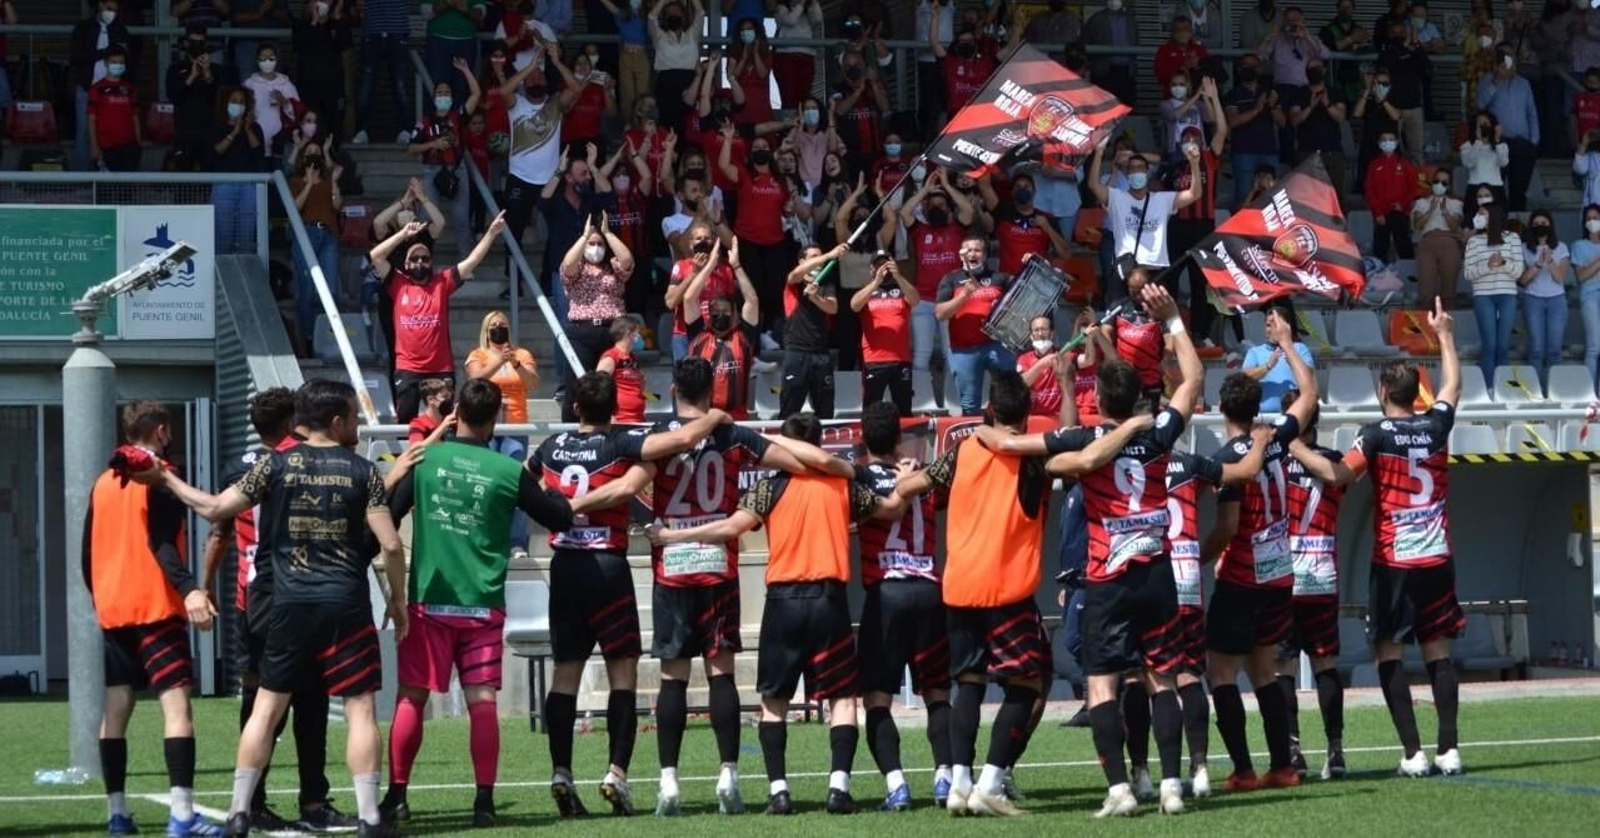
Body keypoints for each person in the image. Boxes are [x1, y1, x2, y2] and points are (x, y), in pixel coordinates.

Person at [896, 335, 1169, 818]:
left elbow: (914, 484)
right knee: (1029, 685)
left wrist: (900, 476)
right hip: (1007, 589)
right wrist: (1064, 386)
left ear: (987, 410)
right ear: (1024, 417)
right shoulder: (1029, 460)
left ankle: (958, 781)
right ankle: (992, 779)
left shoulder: (963, 452)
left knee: (970, 683)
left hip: (959, 587)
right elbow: (1070, 443)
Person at [580, 358, 850, 815]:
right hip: (716, 566)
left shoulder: (661, 437)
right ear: (714, 393)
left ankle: (669, 782)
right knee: (720, 671)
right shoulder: (731, 434)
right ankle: (729, 773)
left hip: (672, 565)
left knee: (673, 677)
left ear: (672, 392)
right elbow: (795, 463)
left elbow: (633, 484)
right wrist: (836, 467)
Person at [144, 380, 407, 838]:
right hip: (345, 603)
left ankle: (241, 812)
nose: (359, 425)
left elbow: (214, 508)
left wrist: (165, 477)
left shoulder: (274, 465)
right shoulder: (364, 471)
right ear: (339, 421)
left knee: (266, 707)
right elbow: (389, 544)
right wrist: (398, 602)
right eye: (355, 417)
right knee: (360, 708)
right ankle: (369, 817)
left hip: (287, 603)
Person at [645, 412, 897, 815]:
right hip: (829, 597)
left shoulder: (769, 487)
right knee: (842, 697)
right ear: (819, 442)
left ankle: (779, 792)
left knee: (774, 699)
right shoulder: (842, 485)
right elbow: (887, 509)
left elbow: (730, 529)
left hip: (782, 599)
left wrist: (674, 536)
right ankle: (839, 789)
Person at [529, 373, 731, 816]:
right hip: (606, 565)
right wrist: (716, 412)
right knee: (623, 672)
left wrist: (555, 505)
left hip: (565, 566)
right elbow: (684, 438)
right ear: (613, 410)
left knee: (565, 673)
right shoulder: (620, 442)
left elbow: (528, 486)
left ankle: (561, 771)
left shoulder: (549, 448)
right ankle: (616, 773)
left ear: (576, 408)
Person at [379, 379, 573, 829]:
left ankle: (397, 796)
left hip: (430, 598)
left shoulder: (426, 462)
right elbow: (556, 518)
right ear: (495, 421)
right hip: (483, 604)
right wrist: (558, 493)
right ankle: (484, 803)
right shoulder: (508, 470)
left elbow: (388, 515)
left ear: (456, 412)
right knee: (482, 701)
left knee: (412, 697)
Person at [1287, 301, 1465, 779]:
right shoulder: (1435, 425)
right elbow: (1451, 387)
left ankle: (1413, 753)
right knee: (1438, 651)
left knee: (1389, 651)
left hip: (1395, 561)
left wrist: (1297, 445)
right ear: (1416, 392)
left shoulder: (1377, 434)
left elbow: (1337, 474)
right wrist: (1444, 336)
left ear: (1383, 390)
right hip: (1437, 556)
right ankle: (1449, 749)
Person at [201, 391, 354, 834]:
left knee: (260, 701)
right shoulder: (301, 464)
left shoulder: (238, 468)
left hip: (252, 598)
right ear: (291, 421)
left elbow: (219, 531)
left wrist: (203, 586)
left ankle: (251, 802)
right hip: (299, 591)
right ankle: (312, 799)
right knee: (310, 699)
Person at [85, 402, 222, 838]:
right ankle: (182, 815)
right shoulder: (161, 477)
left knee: (115, 709)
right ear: (161, 431)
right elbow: (163, 544)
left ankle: (117, 814)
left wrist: (102, 596)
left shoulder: (103, 482)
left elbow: (86, 553)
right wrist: (191, 590)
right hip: (156, 607)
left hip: (115, 608)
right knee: (176, 707)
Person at [1200, 313, 1320, 794]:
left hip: (1242, 578)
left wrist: (1200, 559)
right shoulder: (1275, 439)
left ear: (1221, 408)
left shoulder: (1230, 459)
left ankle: (1244, 771)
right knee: (1265, 670)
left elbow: (1227, 528)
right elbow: (1309, 395)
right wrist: (1288, 345)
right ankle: (1284, 767)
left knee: (1222, 672)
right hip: (1279, 574)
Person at [1160, 418, 1269, 800]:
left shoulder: (1127, 461)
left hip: (1151, 577)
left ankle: (1145, 774)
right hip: (1189, 575)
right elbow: (1245, 471)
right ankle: (1201, 768)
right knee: (1191, 675)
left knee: (1147, 681)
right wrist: (1259, 442)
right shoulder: (1190, 464)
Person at [370, 213, 508, 423]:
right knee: (405, 422)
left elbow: (472, 261)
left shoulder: (441, 283)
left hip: (440, 368)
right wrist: (403, 234)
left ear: (431, 263)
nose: (419, 262)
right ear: (406, 265)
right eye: (414, 259)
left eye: (425, 259)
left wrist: (491, 233)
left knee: (446, 423)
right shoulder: (398, 283)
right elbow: (376, 256)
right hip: (408, 368)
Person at [1279, 386, 1349, 781]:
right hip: (1322, 573)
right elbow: (1339, 477)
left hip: (1285, 575)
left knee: (1283, 668)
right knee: (1326, 665)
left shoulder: (1274, 461)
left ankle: (1293, 751)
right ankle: (1335, 750)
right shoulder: (1334, 460)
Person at [1087, 137, 1202, 300]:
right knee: (1116, 321)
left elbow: (1194, 194)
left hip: (1155, 271)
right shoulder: (1117, 197)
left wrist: (1194, 164)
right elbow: (1093, 185)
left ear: (1147, 172)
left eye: (1140, 168)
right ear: (1127, 174)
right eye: (1132, 169)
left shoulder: (1162, 199)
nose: (1136, 172)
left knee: (1158, 321)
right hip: (1125, 272)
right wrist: (1098, 152)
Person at [465, 310, 540, 555]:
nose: (498, 328)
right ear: (486, 331)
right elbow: (475, 379)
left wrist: (514, 362)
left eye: (503, 324)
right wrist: (498, 360)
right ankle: (486, 538)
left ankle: (516, 542)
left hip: (515, 425)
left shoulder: (522, 354)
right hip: (484, 426)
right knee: (484, 484)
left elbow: (533, 384)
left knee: (512, 484)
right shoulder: (478, 354)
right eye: (493, 325)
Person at [1166, 81, 1230, 341]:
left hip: (1203, 226)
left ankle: (1201, 332)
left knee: (1199, 283)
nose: (1190, 141)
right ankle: (1169, 329)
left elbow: (1223, 130)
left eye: (1194, 138)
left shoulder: (1208, 158)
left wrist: (1214, 99)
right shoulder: (1173, 165)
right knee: (1168, 280)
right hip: (1178, 227)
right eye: (1185, 139)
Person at [718, 125, 794, 341]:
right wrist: (728, 138)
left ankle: (770, 332)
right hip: (748, 241)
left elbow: (787, 211)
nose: (761, 149)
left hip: (775, 242)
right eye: (757, 147)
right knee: (752, 288)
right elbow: (723, 165)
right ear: (752, 154)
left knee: (774, 289)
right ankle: (753, 333)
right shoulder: (744, 174)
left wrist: (789, 209)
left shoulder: (780, 180)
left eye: (765, 147)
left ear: (771, 153)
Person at [558, 211, 635, 420]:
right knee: (577, 386)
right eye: (591, 244)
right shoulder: (578, 268)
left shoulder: (613, 267)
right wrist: (584, 237)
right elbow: (568, 265)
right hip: (582, 332)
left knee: (612, 386)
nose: (595, 248)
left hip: (613, 332)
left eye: (599, 244)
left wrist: (607, 233)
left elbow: (627, 260)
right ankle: (572, 433)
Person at [408, 60, 481, 263]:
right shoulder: (424, 122)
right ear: (433, 97)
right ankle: (420, 260)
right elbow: (411, 148)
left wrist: (466, 70)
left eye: (446, 93)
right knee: (425, 218)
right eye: (440, 93)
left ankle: (466, 262)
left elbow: (476, 95)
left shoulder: (457, 116)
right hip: (431, 170)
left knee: (460, 219)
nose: (443, 96)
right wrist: (433, 144)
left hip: (456, 169)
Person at [539, 145, 619, 328]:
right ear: (568, 178)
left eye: (588, 174)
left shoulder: (590, 201)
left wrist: (594, 167)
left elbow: (608, 195)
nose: (588, 178)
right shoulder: (556, 202)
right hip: (562, 270)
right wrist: (559, 170)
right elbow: (542, 201)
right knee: (565, 324)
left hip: (590, 270)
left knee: (589, 323)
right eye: (583, 174)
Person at [935, 237, 1013, 416]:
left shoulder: (999, 277)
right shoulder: (951, 279)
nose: (972, 254)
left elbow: (1023, 292)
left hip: (997, 346)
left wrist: (1029, 263)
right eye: (968, 250)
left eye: (977, 250)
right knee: (970, 405)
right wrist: (964, 296)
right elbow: (940, 314)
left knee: (1008, 396)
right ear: (961, 255)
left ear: (984, 255)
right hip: (964, 350)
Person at [683, 249, 762, 418]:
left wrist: (736, 266)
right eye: (716, 312)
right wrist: (710, 266)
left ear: (734, 315)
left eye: (725, 311)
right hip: (703, 415)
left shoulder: (743, 336)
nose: (720, 315)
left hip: (737, 416)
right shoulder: (698, 335)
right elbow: (689, 299)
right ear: (708, 315)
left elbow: (752, 300)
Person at [779, 244, 847, 418]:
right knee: (790, 409)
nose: (818, 260)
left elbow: (833, 308)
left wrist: (815, 297)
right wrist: (829, 255)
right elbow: (794, 275)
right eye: (813, 257)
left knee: (825, 410)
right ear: (802, 261)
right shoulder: (795, 280)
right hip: (796, 352)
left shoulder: (826, 282)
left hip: (821, 353)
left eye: (820, 256)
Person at [70, 0, 138, 172]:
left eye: (115, 9)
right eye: (109, 8)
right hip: (88, 86)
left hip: (113, 89)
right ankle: (83, 176)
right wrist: (106, 51)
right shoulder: (83, 28)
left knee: (112, 131)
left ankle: (110, 173)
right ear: (100, 5)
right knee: (84, 132)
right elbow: (77, 56)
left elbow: (125, 57)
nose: (112, 12)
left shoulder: (121, 30)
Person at [1464, 200, 1523, 385]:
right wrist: (1488, 265)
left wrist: (1503, 263)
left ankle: (1504, 388)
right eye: (1478, 213)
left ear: (1494, 216)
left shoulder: (1513, 238)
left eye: (1483, 213)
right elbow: (1468, 274)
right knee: (1489, 345)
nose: (1478, 217)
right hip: (1483, 296)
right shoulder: (1473, 241)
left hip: (1507, 295)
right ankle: (1488, 388)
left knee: (1503, 346)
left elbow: (1518, 272)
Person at [852, 256, 918, 416]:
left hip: (901, 359)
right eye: (879, 266)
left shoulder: (902, 289)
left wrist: (898, 276)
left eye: (887, 266)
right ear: (872, 270)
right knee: (871, 408)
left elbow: (916, 300)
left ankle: (903, 440)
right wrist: (876, 282)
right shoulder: (867, 291)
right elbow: (854, 305)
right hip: (874, 360)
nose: (884, 270)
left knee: (903, 409)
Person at [1478, 44, 1540, 213]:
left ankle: (1517, 231)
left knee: (1519, 192)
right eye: (1503, 55)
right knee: (1496, 190)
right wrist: (1497, 80)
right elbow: (1480, 105)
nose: (1507, 59)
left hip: (1522, 143)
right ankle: (1498, 230)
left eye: (1510, 55)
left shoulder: (1524, 83)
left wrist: (1533, 141)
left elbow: (1531, 113)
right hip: (1498, 143)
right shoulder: (1487, 80)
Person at [1520, 211, 1572, 389]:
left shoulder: (1562, 247)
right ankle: (1535, 390)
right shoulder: (1524, 248)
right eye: (1536, 223)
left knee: (1554, 350)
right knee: (1535, 349)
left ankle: (1554, 390)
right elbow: (1523, 280)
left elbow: (1560, 278)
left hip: (1556, 300)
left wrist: (1550, 261)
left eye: (1544, 222)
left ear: (1550, 225)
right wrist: (1538, 264)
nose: (1540, 226)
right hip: (1533, 299)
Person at [1224, 54, 1284, 209]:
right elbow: (1233, 121)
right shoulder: (1233, 94)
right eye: (1245, 65)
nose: (1249, 68)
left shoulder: (1269, 93)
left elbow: (1282, 122)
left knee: (1273, 195)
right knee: (1244, 194)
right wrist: (1257, 109)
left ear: (1258, 69)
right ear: (1239, 69)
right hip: (1243, 152)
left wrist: (1271, 106)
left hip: (1269, 151)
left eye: (1253, 65)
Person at [211, 88, 266, 255]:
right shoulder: (217, 126)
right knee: (223, 237)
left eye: (242, 102)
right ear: (226, 104)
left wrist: (246, 129)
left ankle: (245, 276)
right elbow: (215, 152)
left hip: (248, 186)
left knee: (246, 237)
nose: (238, 105)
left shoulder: (254, 128)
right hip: (223, 186)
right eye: (234, 101)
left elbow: (258, 152)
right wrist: (234, 133)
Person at [1285, 58, 1348, 200]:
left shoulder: (1335, 93)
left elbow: (1340, 117)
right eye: (1311, 69)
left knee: (1335, 199)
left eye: (1317, 68)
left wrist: (1327, 104)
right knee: (1304, 198)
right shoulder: (1298, 94)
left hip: (1332, 153)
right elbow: (1294, 120)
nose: (1314, 71)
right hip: (1306, 153)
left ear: (1325, 70)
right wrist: (1310, 106)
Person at [352, 0, 413, 145]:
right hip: (372, 31)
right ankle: (362, 131)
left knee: (400, 85)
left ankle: (404, 130)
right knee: (367, 86)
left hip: (397, 31)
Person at [290, 0, 352, 142]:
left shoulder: (336, 24)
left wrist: (337, 18)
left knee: (334, 126)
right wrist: (314, 21)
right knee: (309, 125)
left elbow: (345, 44)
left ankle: (332, 156)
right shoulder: (302, 25)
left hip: (333, 87)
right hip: (308, 86)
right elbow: (299, 45)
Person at [1241, 300, 1315, 413]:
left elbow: (1310, 375)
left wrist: (1293, 359)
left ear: (1286, 326)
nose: (1271, 329)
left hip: (1295, 416)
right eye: (1268, 325)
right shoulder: (1254, 352)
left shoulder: (1300, 348)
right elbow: (1244, 378)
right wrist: (1267, 366)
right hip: (1264, 418)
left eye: (1275, 324)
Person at [1412, 168, 1465, 312]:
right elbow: (1417, 225)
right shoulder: (1421, 202)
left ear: (1448, 186)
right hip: (1427, 243)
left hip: (1449, 242)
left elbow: (1454, 226)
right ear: (1431, 182)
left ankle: (1448, 329)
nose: (1439, 185)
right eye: (1436, 181)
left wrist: (1444, 210)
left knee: (1448, 292)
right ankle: (1425, 329)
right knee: (1426, 291)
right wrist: (1430, 209)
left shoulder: (1456, 203)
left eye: (1444, 182)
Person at [168, 23, 219, 172]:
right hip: (184, 133)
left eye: (201, 42)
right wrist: (191, 77)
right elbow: (174, 97)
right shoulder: (175, 69)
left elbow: (219, 100)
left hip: (209, 133)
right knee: (183, 180)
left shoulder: (216, 70)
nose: (197, 45)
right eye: (194, 42)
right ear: (185, 43)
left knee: (209, 178)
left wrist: (207, 74)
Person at [649, 0, 704, 133]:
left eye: (677, 12)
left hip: (689, 81)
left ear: (684, 16)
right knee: (667, 124)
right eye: (670, 13)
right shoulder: (659, 36)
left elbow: (701, 12)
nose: (673, 14)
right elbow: (651, 17)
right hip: (666, 84)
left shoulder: (692, 35)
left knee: (689, 123)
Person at [1364, 130, 1417, 264]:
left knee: (1404, 245)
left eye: (1391, 139)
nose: (1388, 142)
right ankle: (1379, 275)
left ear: (1397, 143)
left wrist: (1403, 205)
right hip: (1381, 213)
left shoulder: (1404, 164)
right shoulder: (1374, 165)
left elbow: (1413, 188)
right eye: (1384, 139)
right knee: (1380, 248)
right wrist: (1377, 213)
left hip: (1399, 212)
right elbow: (1370, 191)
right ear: (1379, 143)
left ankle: (1409, 276)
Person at [85, 44, 140, 171]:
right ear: (105, 63)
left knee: (126, 189)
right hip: (106, 147)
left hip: (129, 147)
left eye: (121, 62)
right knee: (106, 189)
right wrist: (94, 147)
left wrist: (138, 144)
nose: (118, 65)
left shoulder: (130, 89)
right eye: (114, 62)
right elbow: (91, 119)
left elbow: (135, 117)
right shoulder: (96, 89)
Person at [595, 0, 651, 120]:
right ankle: (628, 124)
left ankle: (644, 122)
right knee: (626, 92)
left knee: (643, 91)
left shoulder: (647, 15)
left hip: (640, 54)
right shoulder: (621, 14)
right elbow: (608, 5)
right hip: (625, 54)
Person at [242, 44, 298, 159]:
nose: (267, 61)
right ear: (257, 61)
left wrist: (284, 102)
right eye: (263, 57)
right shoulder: (249, 84)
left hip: (280, 143)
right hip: (254, 141)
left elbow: (298, 113)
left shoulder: (286, 84)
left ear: (277, 60)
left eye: (271, 57)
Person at [1084, 0, 1138, 109]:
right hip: (1103, 72)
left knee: (1125, 107)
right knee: (1103, 108)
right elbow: (1085, 43)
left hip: (1126, 72)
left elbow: (1136, 41)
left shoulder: (1130, 19)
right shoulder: (1096, 19)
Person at [1013, 316, 1068, 419]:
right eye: (1036, 330)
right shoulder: (1023, 358)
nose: (1040, 334)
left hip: (1059, 416)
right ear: (1031, 336)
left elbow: (1087, 360)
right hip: (1033, 417)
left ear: (1052, 334)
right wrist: (1041, 364)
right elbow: (1021, 384)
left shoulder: (1063, 355)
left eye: (1044, 329)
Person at [596, 315, 648, 423]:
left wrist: (658, 398)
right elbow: (598, 389)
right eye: (637, 333)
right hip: (620, 421)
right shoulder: (611, 357)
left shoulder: (632, 359)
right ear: (629, 333)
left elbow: (637, 391)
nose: (639, 337)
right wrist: (609, 417)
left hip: (638, 419)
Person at [1320, 0, 1372, 104]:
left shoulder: (1360, 29)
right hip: (1334, 79)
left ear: (1353, 9)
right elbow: (1328, 49)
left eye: (1348, 7)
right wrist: (1352, 39)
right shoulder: (1327, 29)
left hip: (1356, 80)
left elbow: (1368, 49)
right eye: (1342, 7)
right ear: (1337, 8)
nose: (1345, 10)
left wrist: (1361, 46)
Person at [1463, 112, 1510, 212]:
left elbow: (1503, 163)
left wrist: (1497, 140)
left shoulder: (1501, 145)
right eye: (1479, 123)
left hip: (1496, 187)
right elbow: (1469, 163)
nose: (1483, 126)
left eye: (1486, 123)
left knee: (1497, 221)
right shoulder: (1467, 146)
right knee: (1472, 221)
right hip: (1474, 187)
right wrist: (1478, 142)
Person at [1575, 204, 1600, 388]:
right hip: (1590, 297)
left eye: (1596, 217)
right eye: (1589, 218)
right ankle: (1589, 395)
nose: (1592, 221)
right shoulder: (1579, 245)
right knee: (1594, 347)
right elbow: (1581, 276)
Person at [1154, 15, 1209, 91]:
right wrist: (1182, 68)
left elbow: (1209, 75)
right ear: (1173, 32)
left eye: (1185, 29)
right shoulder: (1164, 51)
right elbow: (1161, 76)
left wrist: (1198, 66)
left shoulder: (1200, 50)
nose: (1182, 32)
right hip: (1172, 97)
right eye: (1178, 29)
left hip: (1199, 96)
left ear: (1191, 31)